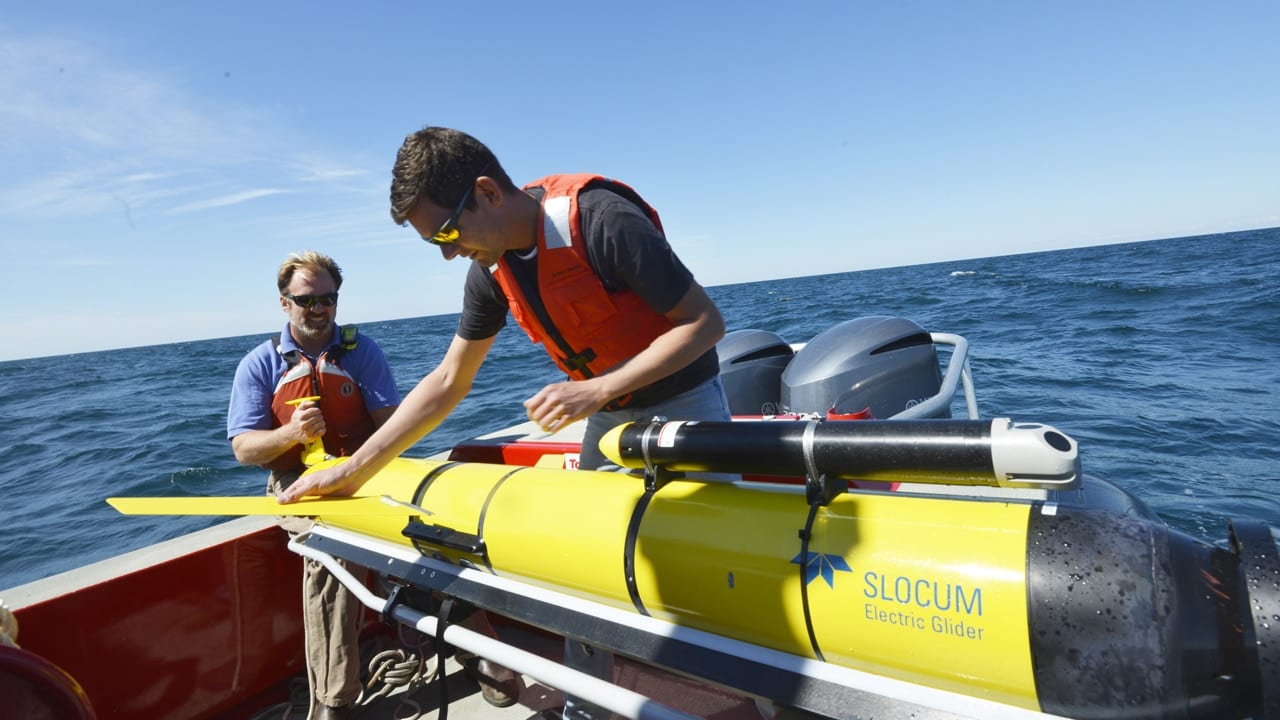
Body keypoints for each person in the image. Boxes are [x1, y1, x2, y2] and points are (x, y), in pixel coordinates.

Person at [278, 126, 733, 719]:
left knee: (721, 568)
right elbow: (447, 382)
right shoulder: (490, 271)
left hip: (686, 402)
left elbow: (703, 323)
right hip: (607, 416)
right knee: (585, 571)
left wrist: (597, 388)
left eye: (446, 232)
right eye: (432, 243)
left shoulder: (600, 220)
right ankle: (584, 708)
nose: (447, 252)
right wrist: (352, 472)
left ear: (488, 192)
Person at [227, 251, 401, 720]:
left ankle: (473, 646)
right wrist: (291, 434)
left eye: (328, 299)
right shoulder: (259, 364)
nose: (318, 309)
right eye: (307, 300)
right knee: (333, 549)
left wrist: (359, 469)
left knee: (430, 530)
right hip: (296, 484)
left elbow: (392, 426)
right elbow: (244, 449)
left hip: (364, 471)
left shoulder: (362, 353)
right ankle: (334, 699)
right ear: (284, 304)